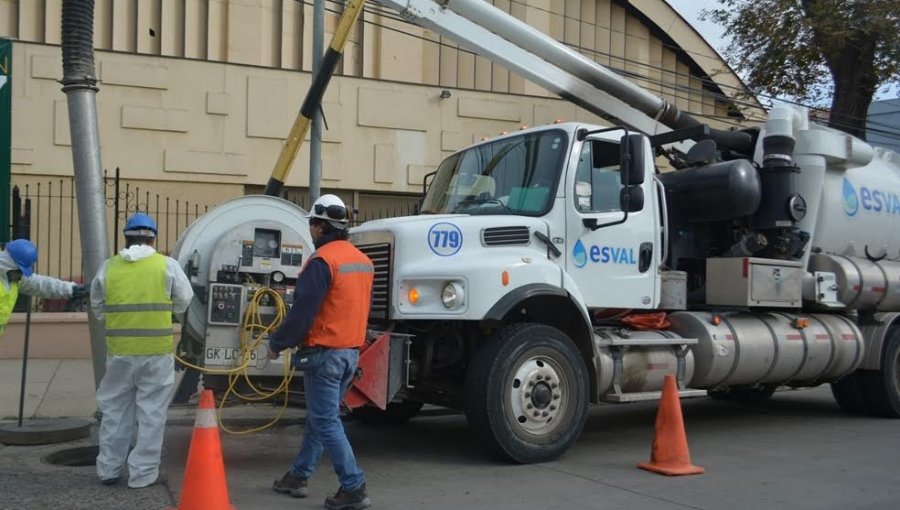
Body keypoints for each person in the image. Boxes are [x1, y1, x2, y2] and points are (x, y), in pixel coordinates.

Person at [268, 194, 374, 510]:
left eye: (313, 225)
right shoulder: (362, 261)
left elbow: (303, 311)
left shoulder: (323, 261)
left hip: (325, 354)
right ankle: (298, 476)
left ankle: (353, 486)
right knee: (320, 418)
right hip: (350, 353)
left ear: (319, 226)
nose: (312, 232)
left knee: (325, 420)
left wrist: (277, 343)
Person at [90, 213, 194, 489]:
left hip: (120, 352)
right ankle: (143, 474)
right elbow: (184, 301)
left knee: (115, 412)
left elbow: (97, 306)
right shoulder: (166, 266)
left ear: (126, 237)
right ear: (153, 238)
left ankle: (109, 470)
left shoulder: (108, 268)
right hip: (156, 353)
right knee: (151, 414)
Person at [0, 239, 87, 338]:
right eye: (19, 271)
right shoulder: (10, 276)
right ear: (8, 264)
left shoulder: (12, 278)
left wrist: (71, 289)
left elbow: (41, 284)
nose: (21, 275)